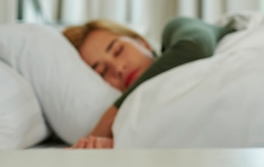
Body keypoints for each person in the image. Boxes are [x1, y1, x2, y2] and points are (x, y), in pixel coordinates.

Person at [63, 16, 238, 149]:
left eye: (118, 50)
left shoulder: (175, 29)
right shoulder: (137, 114)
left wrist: (109, 118)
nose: (118, 68)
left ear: (142, 42)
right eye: (102, 72)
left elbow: (195, 47)